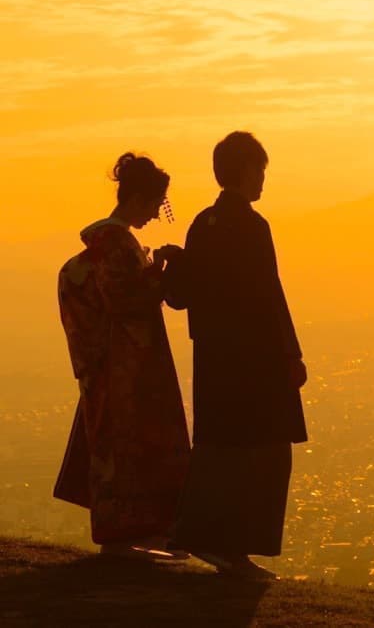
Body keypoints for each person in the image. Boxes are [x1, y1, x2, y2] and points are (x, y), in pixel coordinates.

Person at [168, 131, 307, 579]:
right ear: (245, 172)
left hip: (213, 360)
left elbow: (182, 297)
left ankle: (209, 540)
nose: (263, 180)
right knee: (263, 453)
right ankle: (236, 551)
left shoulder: (202, 223)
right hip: (256, 361)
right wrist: (291, 354)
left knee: (218, 449)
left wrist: (176, 264)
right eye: (260, 171)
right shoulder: (251, 226)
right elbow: (270, 294)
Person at [54, 153, 191, 560]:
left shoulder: (106, 242)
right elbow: (124, 300)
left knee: (115, 449)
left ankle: (127, 534)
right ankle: (120, 536)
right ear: (137, 199)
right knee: (127, 449)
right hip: (124, 369)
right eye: (153, 205)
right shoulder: (115, 244)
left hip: (112, 367)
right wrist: (161, 271)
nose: (154, 214)